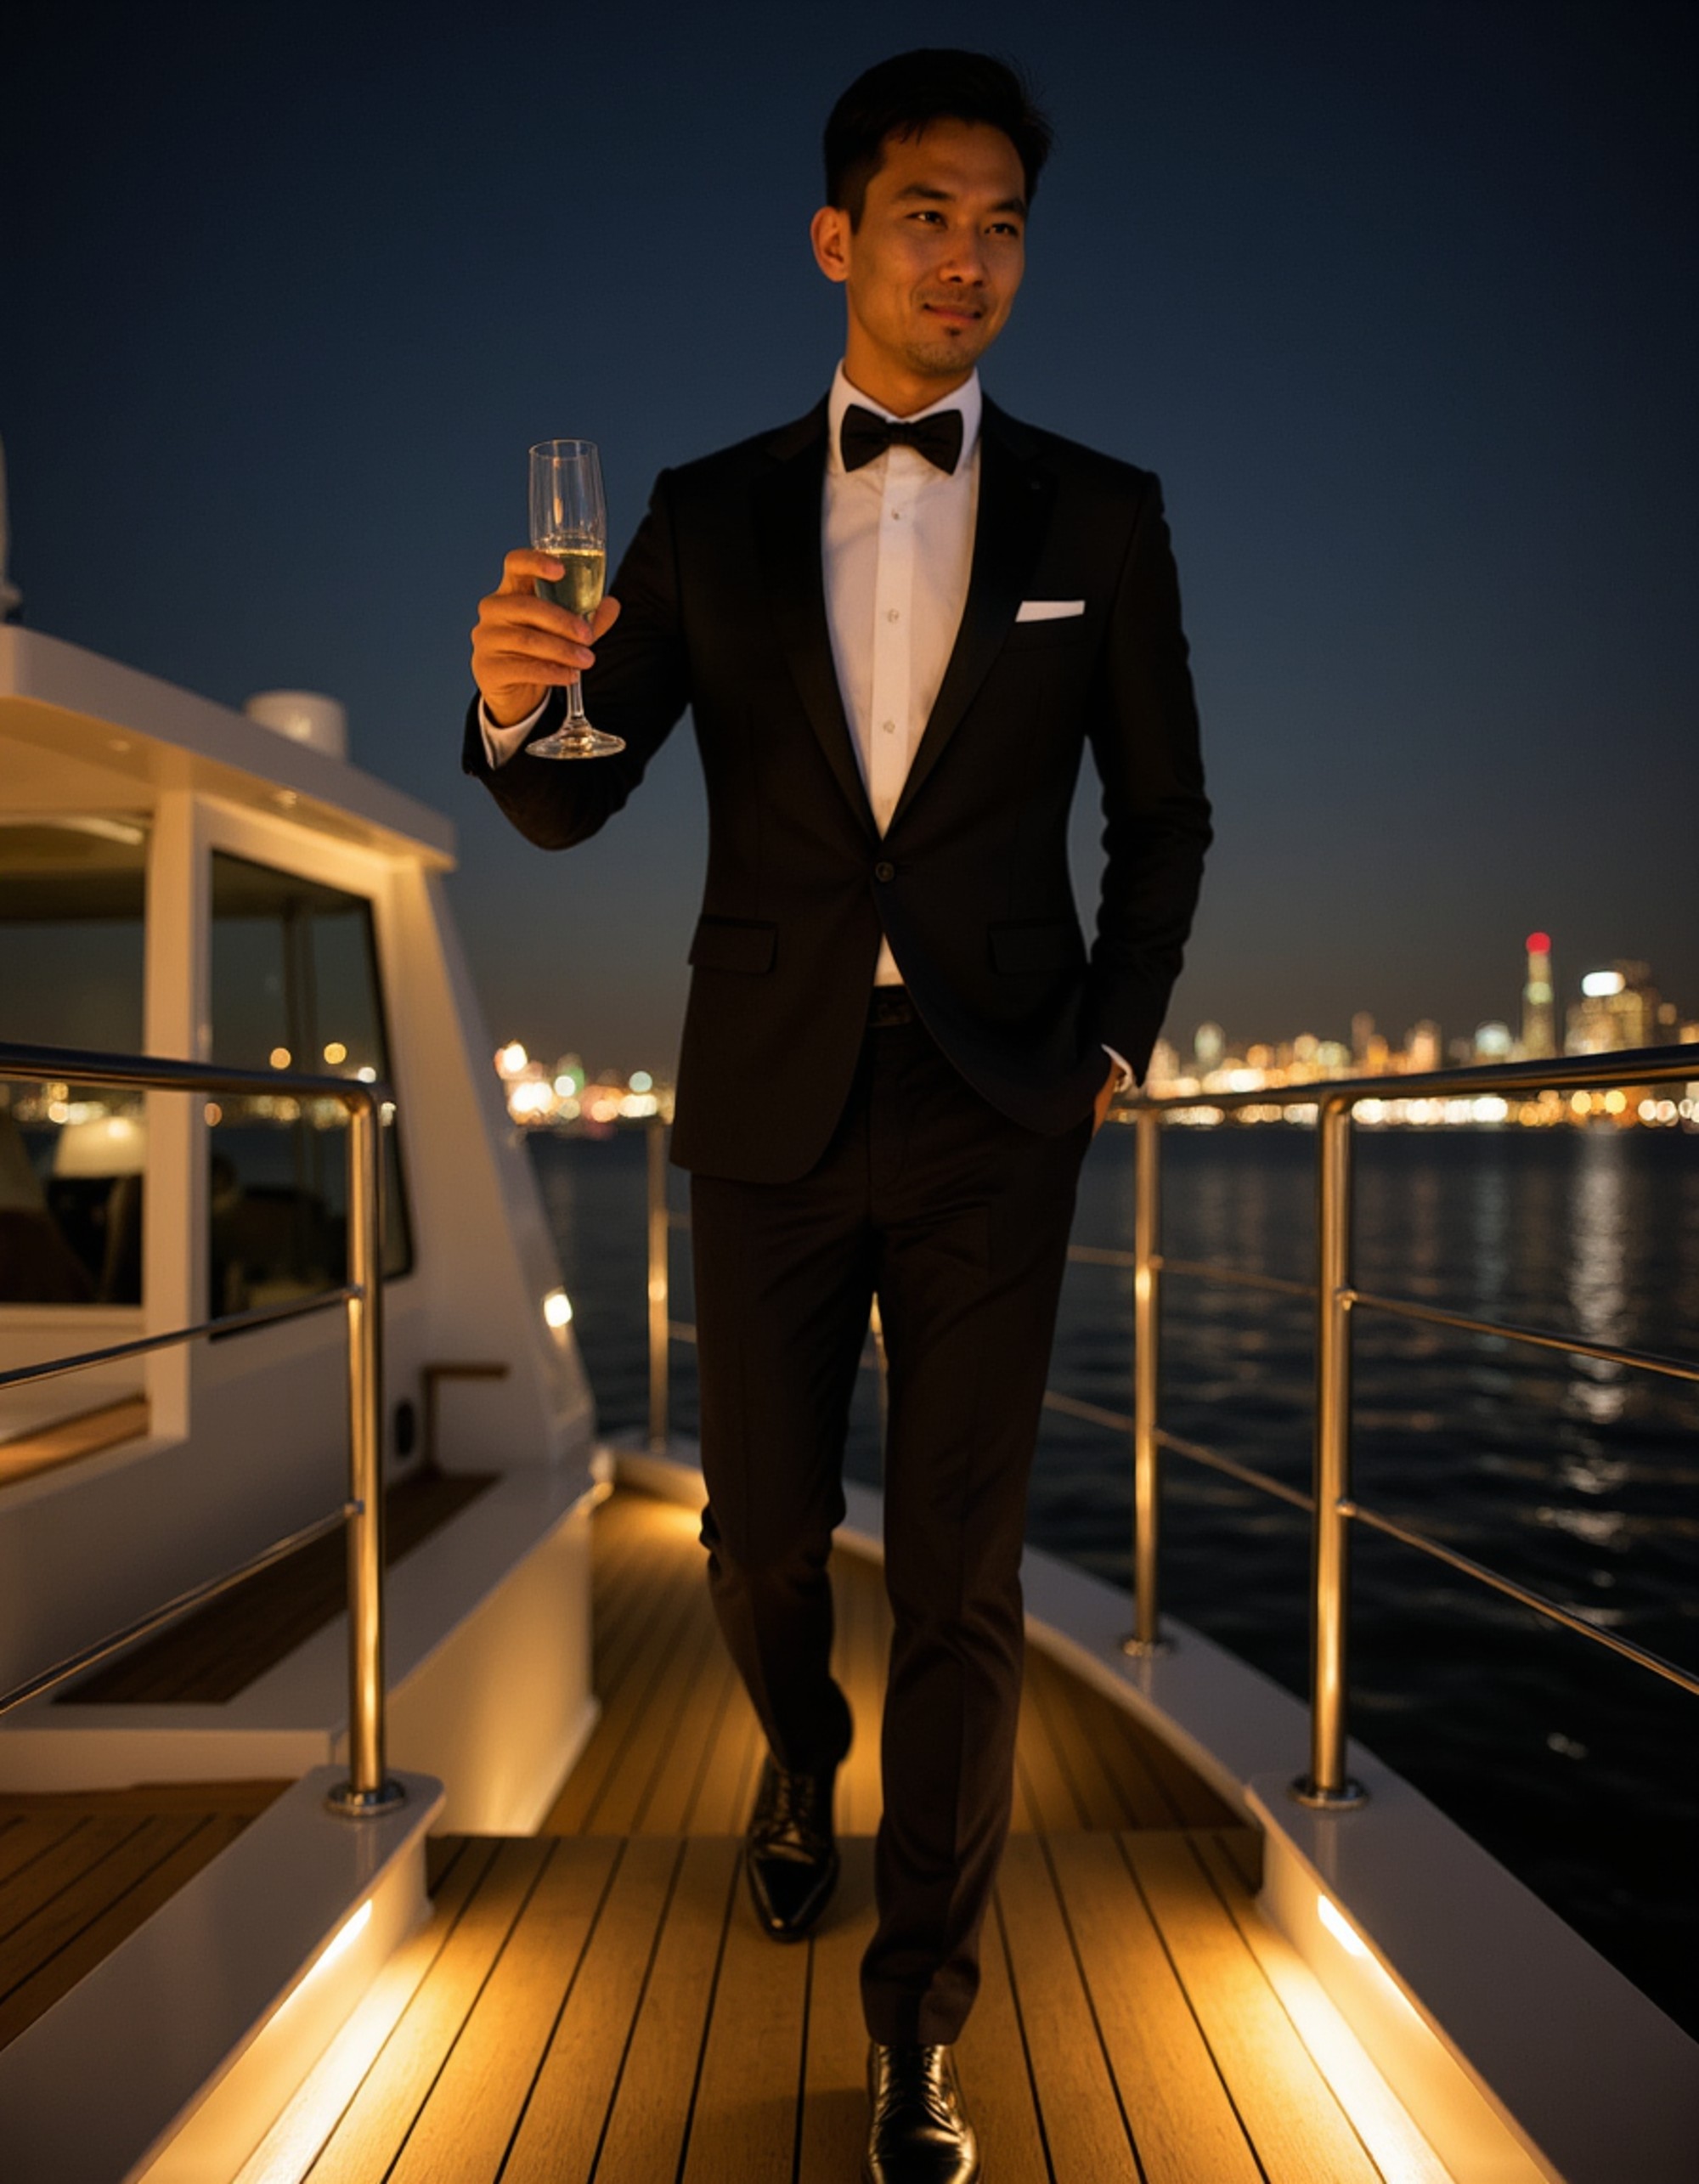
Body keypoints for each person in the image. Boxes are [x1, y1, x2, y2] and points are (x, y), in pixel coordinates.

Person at [466, 48, 1210, 2184]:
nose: (965, 258)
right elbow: (570, 797)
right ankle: (796, 1757)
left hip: (1001, 1106)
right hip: (766, 1097)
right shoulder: (703, 515)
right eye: (923, 216)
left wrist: (1110, 1050)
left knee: (964, 1580)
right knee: (759, 1537)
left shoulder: (1104, 512)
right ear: (836, 239)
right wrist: (517, 691)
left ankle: (919, 2030)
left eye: (998, 225)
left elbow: (1163, 815)